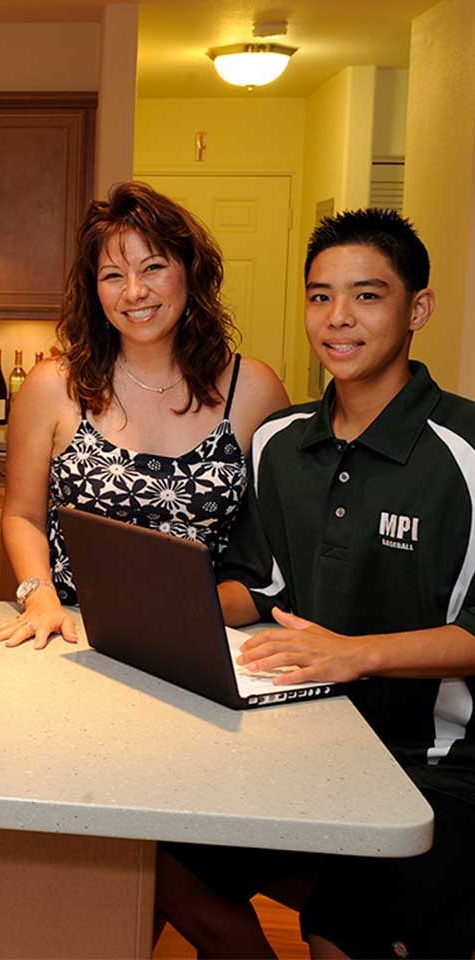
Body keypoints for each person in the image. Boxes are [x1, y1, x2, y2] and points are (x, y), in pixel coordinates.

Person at [158, 209, 475, 959]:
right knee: (156, 852)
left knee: (342, 921)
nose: (338, 319)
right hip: (299, 739)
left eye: (367, 296)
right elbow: (256, 587)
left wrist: (356, 654)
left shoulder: (465, 453)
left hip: (436, 767)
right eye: (319, 296)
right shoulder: (279, 441)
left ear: (416, 309)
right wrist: (165, 612)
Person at [0, 181, 289, 649]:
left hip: (203, 637)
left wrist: (197, 616)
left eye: (153, 267)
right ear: (94, 290)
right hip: (73, 632)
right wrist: (38, 596)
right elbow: (23, 514)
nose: (134, 292)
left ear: (190, 273)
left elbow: (274, 549)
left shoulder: (254, 391)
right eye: (113, 276)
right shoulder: (53, 386)